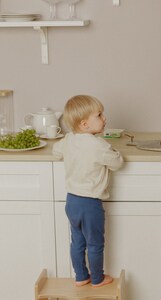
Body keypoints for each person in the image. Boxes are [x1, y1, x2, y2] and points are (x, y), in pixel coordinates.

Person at [53, 95, 124, 287]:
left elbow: (56, 151)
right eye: (100, 115)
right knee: (94, 244)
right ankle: (98, 279)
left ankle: (81, 276)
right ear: (85, 124)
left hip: (72, 202)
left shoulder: (69, 139)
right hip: (90, 204)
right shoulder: (98, 145)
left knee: (77, 242)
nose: (105, 119)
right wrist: (115, 151)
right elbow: (117, 163)